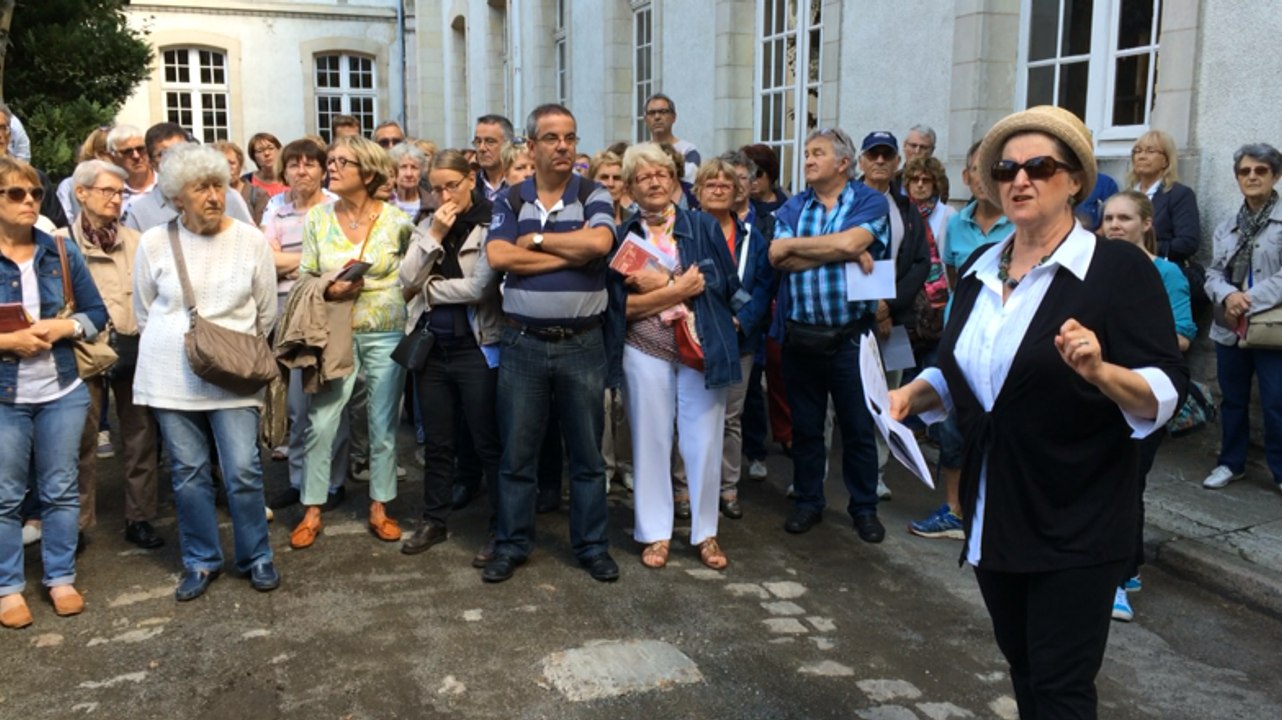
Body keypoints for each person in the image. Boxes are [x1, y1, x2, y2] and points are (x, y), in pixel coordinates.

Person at [888, 106, 1186, 719]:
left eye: (1039, 167)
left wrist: (1101, 371)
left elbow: (1164, 390)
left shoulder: (1117, 269)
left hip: (1077, 513)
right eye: (1006, 168)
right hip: (994, 510)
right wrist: (906, 397)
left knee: (1060, 687)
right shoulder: (978, 269)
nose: (1019, 180)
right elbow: (954, 367)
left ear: (1075, 180)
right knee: (1024, 668)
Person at [131, 143, 280, 601]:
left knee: (242, 470)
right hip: (170, 376)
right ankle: (200, 559)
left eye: (218, 185)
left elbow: (266, 312)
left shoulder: (251, 240)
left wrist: (227, 353)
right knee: (188, 472)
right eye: (202, 188)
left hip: (232, 374)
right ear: (178, 197)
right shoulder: (154, 242)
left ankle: (257, 555)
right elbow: (143, 311)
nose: (214, 195)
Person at [482, 103, 618, 584]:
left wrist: (534, 245)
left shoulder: (594, 191)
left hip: (582, 343)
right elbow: (498, 255)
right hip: (523, 343)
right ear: (531, 146)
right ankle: (513, 543)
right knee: (517, 454)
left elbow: (600, 246)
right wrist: (567, 251)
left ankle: (591, 546)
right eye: (553, 138)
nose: (563, 147)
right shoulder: (511, 199)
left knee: (586, 455)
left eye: (571, 138)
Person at [606, 144, 742, 570]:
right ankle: (655, 533)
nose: (654, 181)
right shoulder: (620, 236)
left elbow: (720, 281)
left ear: (675, 179)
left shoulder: (701, 224)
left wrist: (664, 281)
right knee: (650, 440)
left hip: (700, 348)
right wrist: (679, 290)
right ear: (628, 187)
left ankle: (706, 533)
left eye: (662, 173)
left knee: (703, 441)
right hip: (643, 347)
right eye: (643, 176)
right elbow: (617, 308)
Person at [289, 136, 413, 550]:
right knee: (322, 421)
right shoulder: (317, 219)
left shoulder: (397, 220)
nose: (333, 167)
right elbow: (305, 274)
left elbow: (413, 275)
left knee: (382, 425)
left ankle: (380, 505)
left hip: (385, 331)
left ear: (369, 172)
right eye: (332, 161)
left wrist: (391, 298)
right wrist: (328, 288)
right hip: (335, 331)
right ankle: (312, 508)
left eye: (344, 162)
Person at [767, 127, 890, 540]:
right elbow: (776, 255)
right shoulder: (794, 205)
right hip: (801, 335)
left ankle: (864, 508)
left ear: (842, 163)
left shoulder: (869, 199)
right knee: (806, 427)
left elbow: (853, 239)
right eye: (805, 153)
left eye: (817, 153)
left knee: (857, 428)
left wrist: (816, 248)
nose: (806, 160)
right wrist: (843, 250)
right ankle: (808, 501)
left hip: (850, 337)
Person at [0, 157, 108, 628]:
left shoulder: (59, 251)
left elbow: (96, 313)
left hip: (61, 389)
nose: (29, 202)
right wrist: (7, 342)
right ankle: (8, 587)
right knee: (5, 496)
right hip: (5, 398)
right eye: (15, 194)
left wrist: (63, 326)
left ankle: (60, 577)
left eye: (36, 194)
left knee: (61, 490)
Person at [398, 149, 502, 563]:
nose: (444, 195)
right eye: (436, 187)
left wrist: (428, 289)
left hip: (478, 347)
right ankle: (433, 520)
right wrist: (435, 236)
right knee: (439, 442)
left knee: (487, 441)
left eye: (451, 186)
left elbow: (480, 289)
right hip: (433, 348)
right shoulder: (427, 223)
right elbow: (405, 278)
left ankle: (500, 527)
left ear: (470, 179)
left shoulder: (493, 222)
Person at [908, 140, 1013, 541]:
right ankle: (955, 509)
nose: (984, 179)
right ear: (967, 177)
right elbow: (954, 281)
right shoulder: (957, 224)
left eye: (993, 169)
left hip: (1004, 342)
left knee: (999, 430)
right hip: (959, 337)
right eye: (976, 169)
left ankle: (996, 513)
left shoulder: (1016, 224)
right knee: (952, 429)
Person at [1099, 189, 1196, 622]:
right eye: (1108, 218)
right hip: (1101, 392)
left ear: (1147, 224)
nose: (1115, 225)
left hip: (1145, 391)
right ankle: (1130, 562)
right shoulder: (1092, 270)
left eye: (1124, 218)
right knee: (1111, 483)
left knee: (1126, 484)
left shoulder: (1166, 272)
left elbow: (1183, 335)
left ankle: (1117, 583)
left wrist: (1125, 341)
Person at [61, 159, 164, 550]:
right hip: (81, 354)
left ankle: (139, 518)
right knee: (81, 441)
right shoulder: (59, 242)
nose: (116, 199)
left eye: (121, 193)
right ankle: (77, 523)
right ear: (81, 193)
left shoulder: (138, 241)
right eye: (107, 191)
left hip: (133, 346)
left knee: (141, 438)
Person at [261, 139, 350, 513]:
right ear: (285, 172)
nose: (302, 171)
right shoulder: (276, 209)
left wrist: (300, 263)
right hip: (288, 309)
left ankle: (333, 481)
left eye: (310, 164)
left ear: (322, 169)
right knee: (296, 404)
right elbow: (265, 257)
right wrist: (311, 262)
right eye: (294, 165)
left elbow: (341, 260)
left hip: (329, 309)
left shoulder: (335, 207)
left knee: (332, 400)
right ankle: (298, 481)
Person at [695, 157, 776, 521]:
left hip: (739, 339)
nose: (717, 190)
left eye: (724, 185)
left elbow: (762, 285)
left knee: (730, 416)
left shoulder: (751, 236)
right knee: (691, 414)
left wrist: (740, 321)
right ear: (698, 192)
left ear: (736, 192)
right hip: (692, 337)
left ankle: (728, 487)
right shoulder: (685, 230)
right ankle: (686, 487)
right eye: (710, 184)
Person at [1203, 143, 1282, 493]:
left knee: (1275, 400)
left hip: (1271, 326)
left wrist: (1247, 298)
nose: (1252, 177)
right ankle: (1230, 463)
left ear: (1275, 176)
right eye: (1245, 171)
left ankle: (1279, 470)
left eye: (1260, 171)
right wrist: (1227, 295)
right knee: (1232, 399)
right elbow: (1213, 273)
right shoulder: (1227, 226)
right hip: (1230, 325)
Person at [858, 131, 930, 506]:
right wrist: (873, 305)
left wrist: (889, 304)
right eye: (874, 155)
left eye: (888, 155)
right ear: (861, 161)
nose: (881, 162)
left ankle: (877, 474)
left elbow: (920, 261)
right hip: (854, 316)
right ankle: (822, 474)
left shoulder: (906, 208)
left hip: (895, 321)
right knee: (841, 403)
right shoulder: (848, 200)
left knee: (889, 397)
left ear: (897, 162)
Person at [123, 123, 253, 232]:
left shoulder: (226, 197)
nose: (175, 158)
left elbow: (251, 243)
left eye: (182, 150)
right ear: (152, 163)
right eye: (164, 153)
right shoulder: (139, 213)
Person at [1126, 130, 1201, 263]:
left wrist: (1141, 247)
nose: (1141, 156)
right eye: (1137, 151)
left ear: (1165, 161)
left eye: (1150, 151)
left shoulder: (1179, 194)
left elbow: (1187, 243)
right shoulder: (1125, 196)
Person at [56, 126, 113, 222]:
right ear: (99, 154)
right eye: (115, 153)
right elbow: (66, 221)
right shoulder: (69, 186)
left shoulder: (127, 183)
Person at [644, 93, 700, 180]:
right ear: (646, 120)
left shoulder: (688, 151)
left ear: (673, 117)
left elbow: (689, 177)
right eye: (651, 113)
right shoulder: (640, 152)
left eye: (662, 112)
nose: (657, 117)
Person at [216, 141, 270, 226]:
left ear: (240, 165)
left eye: (232, 163)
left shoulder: (258, 194)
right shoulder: (211, 195)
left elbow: (263, 229)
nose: (228, 168)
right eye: (222, 164)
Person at [106, 124, 155, 216]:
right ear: (113, 157)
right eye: (127, 152)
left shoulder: (166, 184)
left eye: (140, 149)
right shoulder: (110, 193)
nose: (136, 156)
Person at [901, 124, 948, 203]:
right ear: (904, 146)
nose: (917, 151)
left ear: (932, 150)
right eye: (913, 145)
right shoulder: (893, 179)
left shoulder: (939, 179)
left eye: (923, 147)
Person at [473, 114, 515, 202]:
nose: (482, 148)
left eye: (490, 141)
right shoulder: (471, 185)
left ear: (508, 144)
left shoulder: (520, 182)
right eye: (478, 141)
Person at [388, 142, 430, 223]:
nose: (409, 174)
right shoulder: (383, 203)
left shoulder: (431, 204)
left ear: (421, 172)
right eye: (403, 167)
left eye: (414, 167)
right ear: (393, 171)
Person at [741, 143, 788, 214]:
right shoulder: (739, 206)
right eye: (748, 174)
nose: (752, 179)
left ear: (770, 172)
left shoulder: (790, 204)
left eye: (758, 173)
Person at [245, 133, 287, 197]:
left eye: (271, 148)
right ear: (253, 157)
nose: (267, 153)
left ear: (279, 150)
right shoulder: (246, 181)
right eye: (260, 151)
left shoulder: (291, 177)